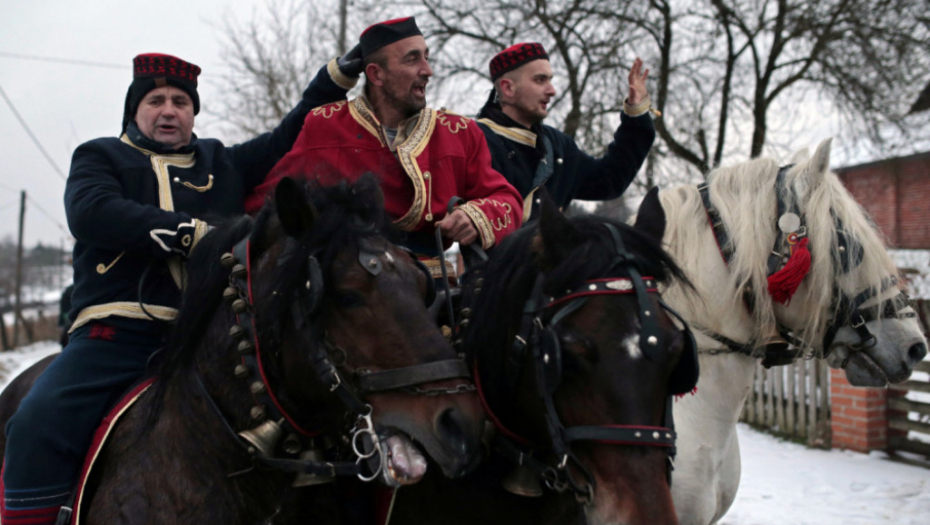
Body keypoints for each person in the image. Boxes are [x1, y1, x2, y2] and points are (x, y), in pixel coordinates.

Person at [1, 51, 356, 525]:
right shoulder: (100, 156)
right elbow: (92, 212)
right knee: (35, 422)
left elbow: (287, 136)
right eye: (156, 100)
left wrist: (334, 79)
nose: (169, 109)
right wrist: (194, 234)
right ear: (135, 110)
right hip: (115, 340)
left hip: (211, 339)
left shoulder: (221, 162)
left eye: (181, 102)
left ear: (193, 113)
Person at [246, 17, 522, 264]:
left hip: (435, 295)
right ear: (376, 74)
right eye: (412, 59)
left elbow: (508, 199)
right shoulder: (325, 125)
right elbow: (270, 203)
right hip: (348, 295)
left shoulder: (458, 132)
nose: (428, 70)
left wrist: (476, 215)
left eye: (427, 57)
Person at [476, 43, 656, 219]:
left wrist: (636, 114)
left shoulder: (558, 145)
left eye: (550, 80)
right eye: (540, 80)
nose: (552, 90)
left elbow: (609, 180)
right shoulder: (473, 140)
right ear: (508, 88)